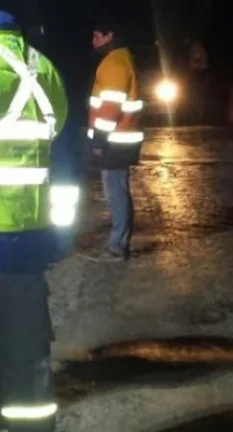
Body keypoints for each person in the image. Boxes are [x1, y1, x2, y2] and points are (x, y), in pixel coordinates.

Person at [0, 9, 79, 432]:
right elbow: (63, 161)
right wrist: (60, 235)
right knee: (26, 354)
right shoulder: (44, 71)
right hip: (27, 247)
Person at [84, 19, 143, 262]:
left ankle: (116, 247)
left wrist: (98, 141)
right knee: (119, 189)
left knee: (115, 191)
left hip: (115, 139)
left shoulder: (114, 63)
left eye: (97, 36)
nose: (94, 41)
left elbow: (109, 107)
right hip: (122, 136)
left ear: (110, 36)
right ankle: (119, 241)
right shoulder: (121, 58)